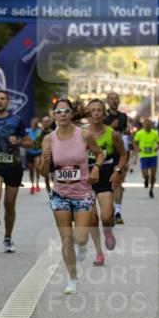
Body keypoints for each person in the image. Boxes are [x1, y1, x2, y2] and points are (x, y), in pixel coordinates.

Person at [40, 99, 105, 294]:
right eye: (58, 112)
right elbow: (44, 172)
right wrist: (45, 162)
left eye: (66, 111)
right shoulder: (48, 139)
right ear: (54, 115)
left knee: (80, 237)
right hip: (60, 194)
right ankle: (73, 279)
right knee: (67, 239)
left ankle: (83, 245)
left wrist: (96, 169)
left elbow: (100, 154)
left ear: (71, 114)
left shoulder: (84, 135)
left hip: (83, 193)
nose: (62, 115)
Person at [0, 90, 31, 252]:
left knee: (9, 205)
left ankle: (8, 238)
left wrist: (18, 140)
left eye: (3, 99)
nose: (0, 101)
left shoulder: (17, 120)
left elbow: (29, 143)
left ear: (7, 102)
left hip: (13, 166)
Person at [84, 99, 127, 266]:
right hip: (86, 180)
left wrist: (117, 171)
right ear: (88, 114)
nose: (95, 113)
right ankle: (99, 253)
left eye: (99, 110)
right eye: (92, 110)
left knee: (106, 216)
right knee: (92, 219)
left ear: (104, 113)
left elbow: (123, 155)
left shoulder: (113, 134)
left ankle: (108, 231)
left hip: (105, 178)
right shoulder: (81, 134)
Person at [104, 92, 129, 223]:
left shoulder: (124, 116)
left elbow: (124, 133)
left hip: (119, 154)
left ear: (119, 101)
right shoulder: (103, 116)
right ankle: (110, 209)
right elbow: (98, 132)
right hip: (105, 154)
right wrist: (110, 127)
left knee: (118, 181)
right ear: (108, 101)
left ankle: (118, 212)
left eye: (116, 99)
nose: (114, 101)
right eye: (112, 99)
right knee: (108, 185)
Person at [133, 117, 159, 198]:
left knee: (153, 175)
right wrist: (137, 148)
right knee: (146, 175)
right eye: (146, 125)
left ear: (151, 125)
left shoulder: (155, 133)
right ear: (143, 125)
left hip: (153, 156)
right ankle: (146, 180)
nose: (147, 126)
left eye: (149, 125)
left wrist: (158, 147)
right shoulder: (139, 133)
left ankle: (151, 190)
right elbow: (135, 142)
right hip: (143, 156)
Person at [24, 117, 43, 193]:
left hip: (38, 152)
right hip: (29, 152)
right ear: (31, 123)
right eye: (33, 123)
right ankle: (32, 185)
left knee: (37, 167)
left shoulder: (39, 131)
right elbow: (24, 140)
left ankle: (37, 183)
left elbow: (40, 140)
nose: (34, 125)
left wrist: (35, 141)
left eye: (36, 123)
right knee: (31, 170)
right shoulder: (27, 131)